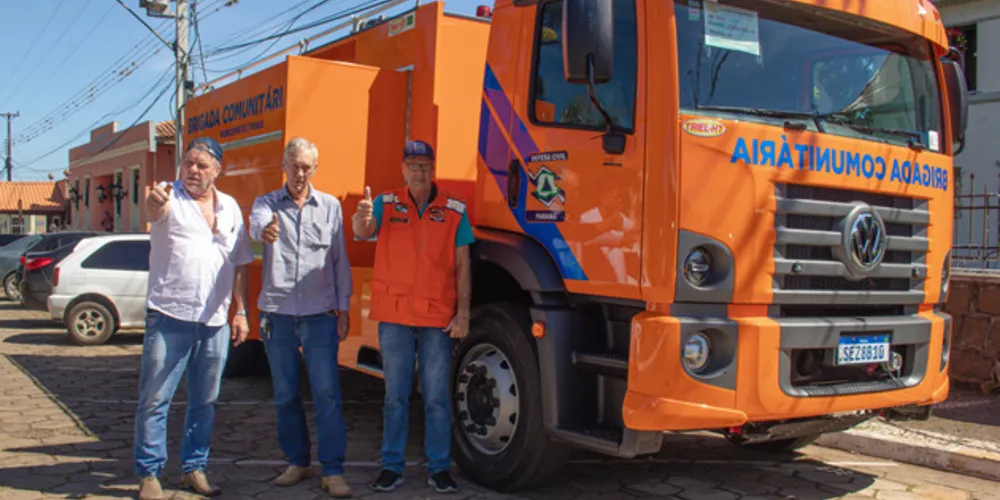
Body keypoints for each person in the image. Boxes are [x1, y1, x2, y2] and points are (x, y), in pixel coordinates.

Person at [134, 137, 253, 500]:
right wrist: (153, 204)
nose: (194, 170)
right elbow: (153, 211)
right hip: (169, 316)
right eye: (189, 163)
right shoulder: (169, 197)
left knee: (205, 400)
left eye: (203, 165)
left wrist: (241, 311)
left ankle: (193, 469)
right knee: (155, 398)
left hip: (215, 321)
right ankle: (149, 474)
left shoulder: (230, 207)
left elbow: (240, 264)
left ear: (218, 170)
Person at [352, 139, 473, 494]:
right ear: (403, 168)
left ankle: (439, 468)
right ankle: (391, 466)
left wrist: (463, 313)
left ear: (432, 169)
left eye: (425, 165)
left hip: (438, 318)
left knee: (436, 397)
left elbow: (464, 264)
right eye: (413, 164)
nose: (419, 171)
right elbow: (364, 231)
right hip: (396, 316)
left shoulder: (453, 209)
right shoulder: (386, 203)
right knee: (395, 396)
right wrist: (362, 219)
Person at [248, 137, 353, 498]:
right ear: (284, 165)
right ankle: (297, 462)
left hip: (320, 314)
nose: (299, 172)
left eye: (306, 166)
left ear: (315, 169)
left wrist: (344, 308)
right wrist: (264, 232)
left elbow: (339, 260)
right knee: (285, 394)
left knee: (327, 394)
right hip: (277, 315)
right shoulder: (266, 204)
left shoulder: (330, 208)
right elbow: (256, 226)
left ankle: (333, 469)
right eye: (294, 164)